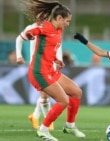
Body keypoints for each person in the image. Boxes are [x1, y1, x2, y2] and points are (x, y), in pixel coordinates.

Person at [20, 0, 85, 141]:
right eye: (67, 21)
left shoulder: (59, 29)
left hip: (50, 70)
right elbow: (32, 32)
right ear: (59, 18)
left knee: (77, 92)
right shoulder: (44, 27)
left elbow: (49, 48)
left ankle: (70, 125)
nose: (68, 24)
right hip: (39, 72)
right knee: (63, 100)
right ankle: (43, 131)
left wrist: (56, 59)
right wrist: (29, 35)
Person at [15, 19, 64, 130]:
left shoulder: (53, 29)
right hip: (37, 65)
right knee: (45, 94)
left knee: (46, 93)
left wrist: (58, 60)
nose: (43, 17)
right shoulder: (31, 28)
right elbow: (19, 39)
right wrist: (19, 56)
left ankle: (35, 116)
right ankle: (47, 122)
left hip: (50, 64)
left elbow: (58, 46)